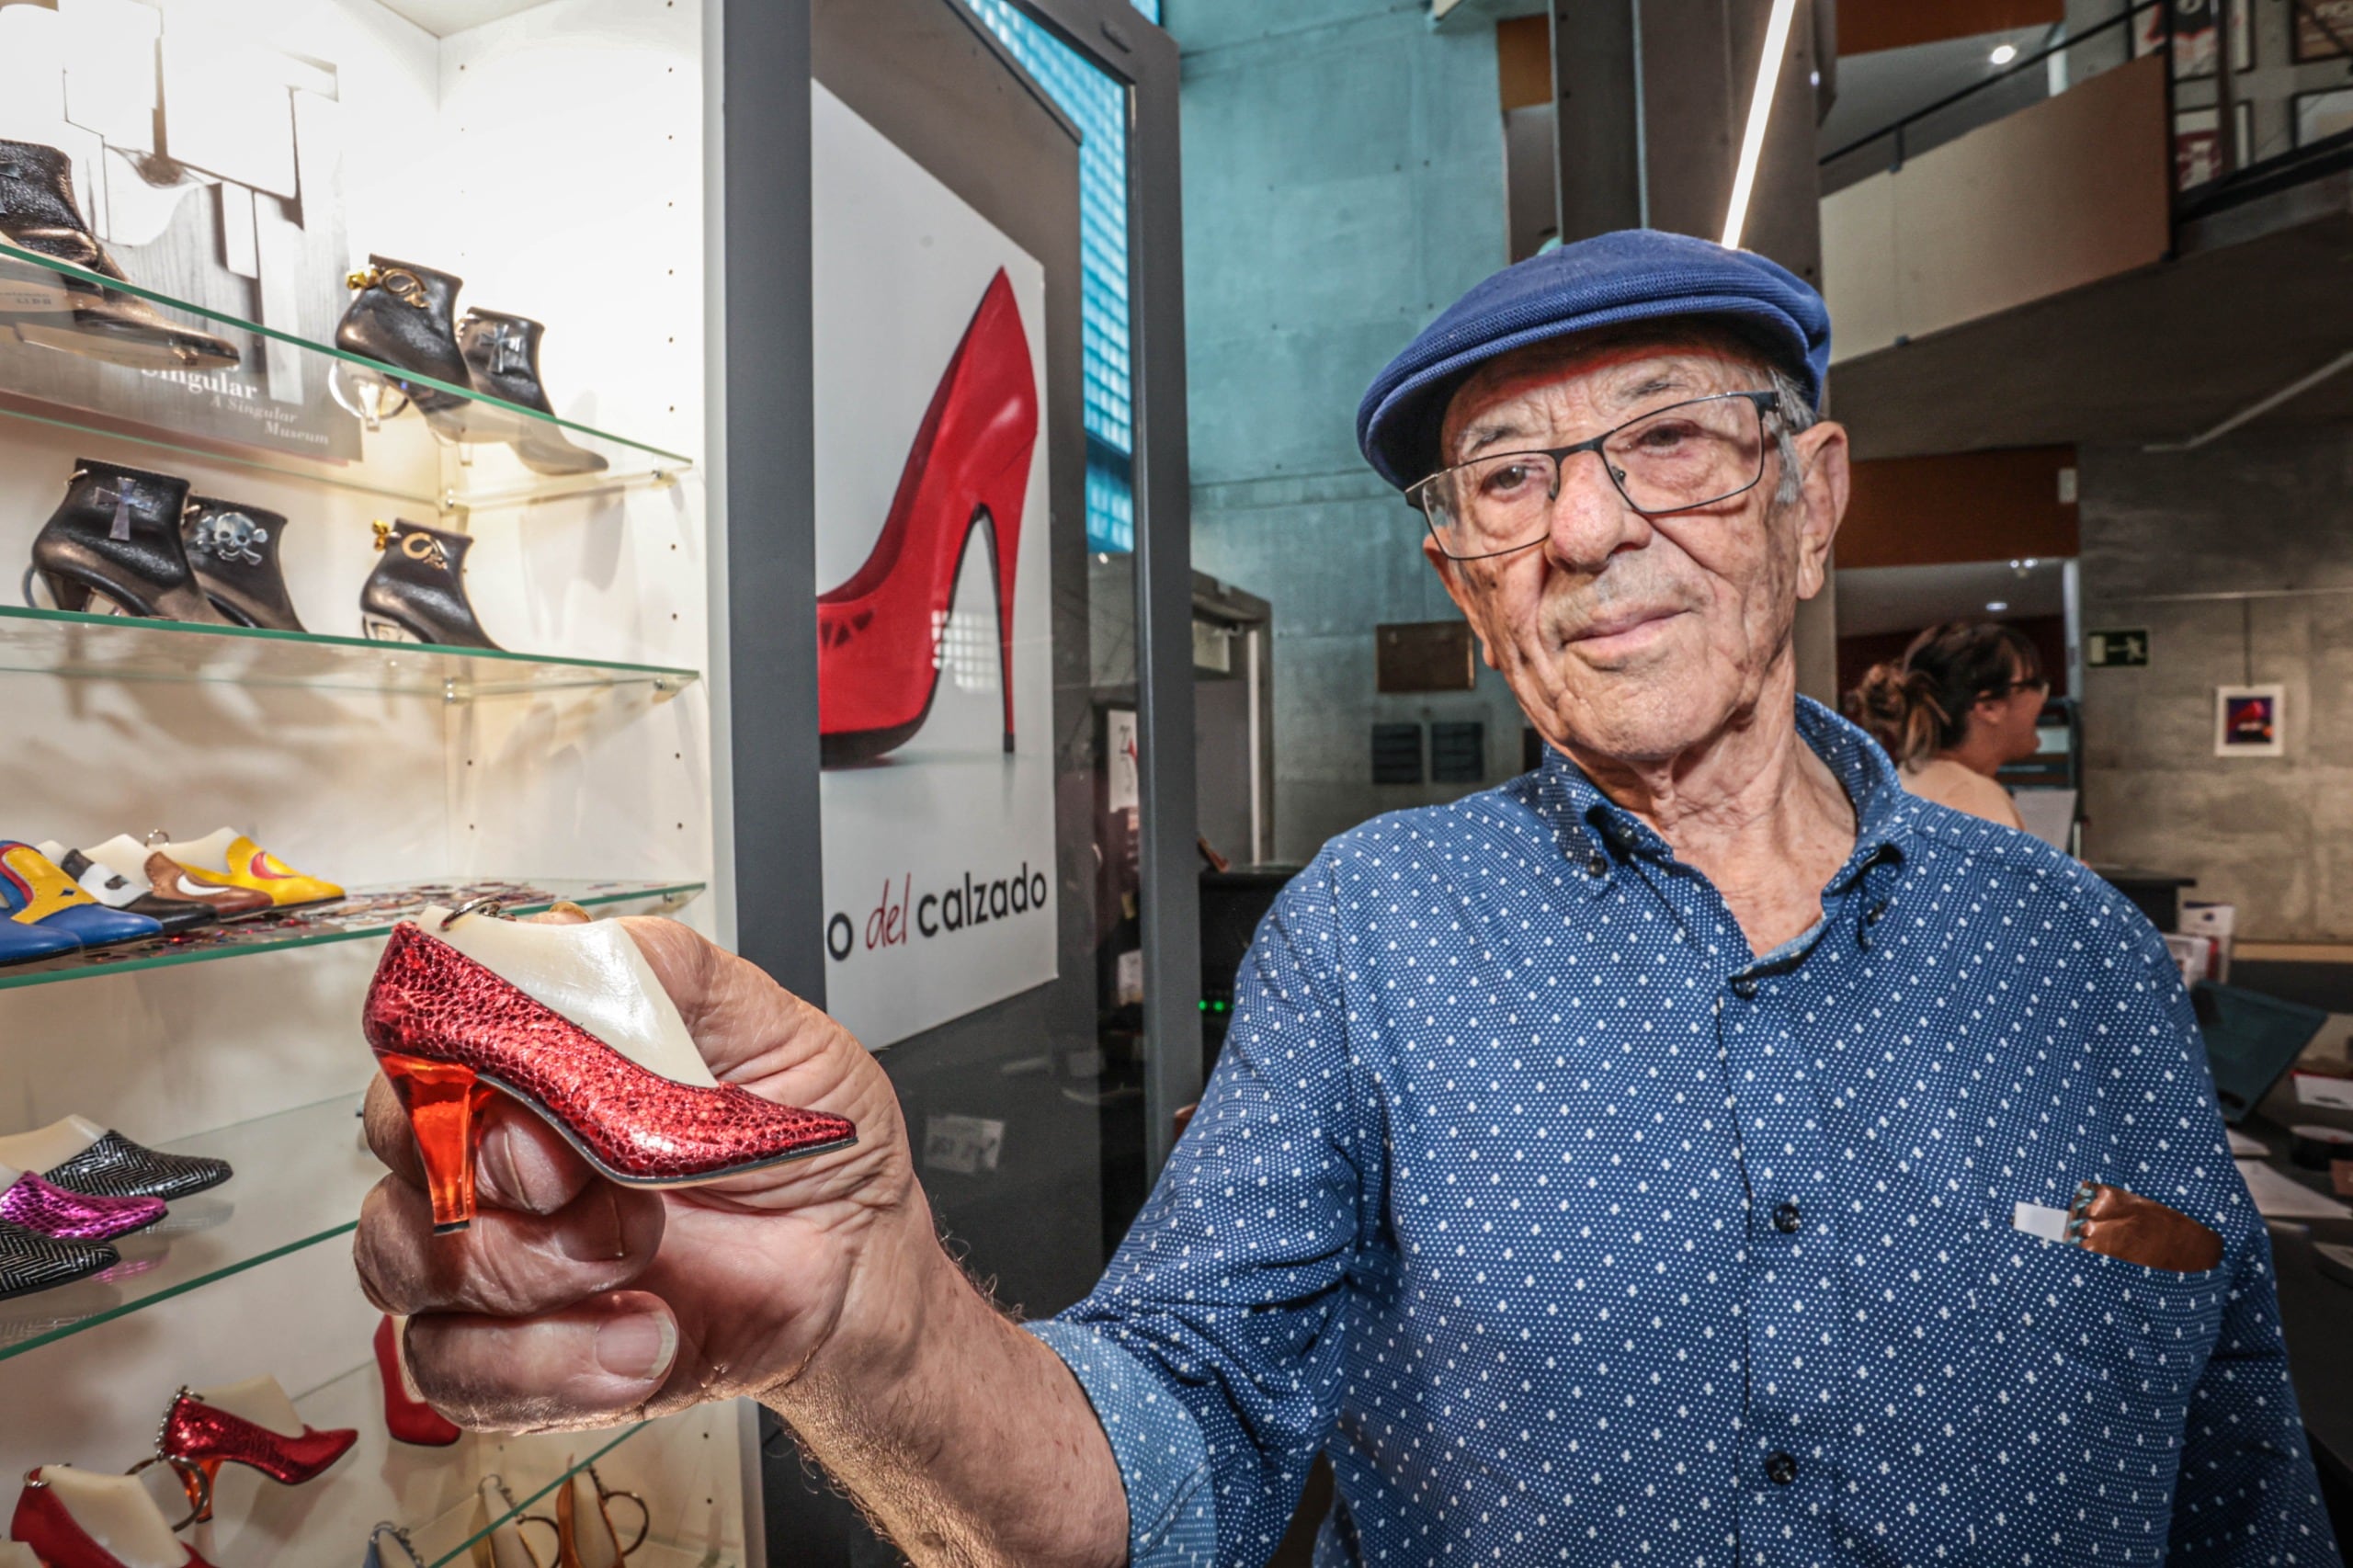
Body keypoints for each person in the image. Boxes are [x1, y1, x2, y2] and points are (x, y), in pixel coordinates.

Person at [355, 232, 2339, 1567]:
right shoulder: (1374, 938)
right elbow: (1184, 1434)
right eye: (1503, 480)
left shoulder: (2065, 952)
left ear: (1808, 497)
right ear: (1465, 582)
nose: (1582, 528)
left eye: (1663, 438)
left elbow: (2239, 1464)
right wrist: (869, 1323)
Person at [1845, 619, 2049, 828]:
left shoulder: (1906, 782)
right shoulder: (1971, 798)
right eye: (2035, 685)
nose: (2042, 699)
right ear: (1989, 707)